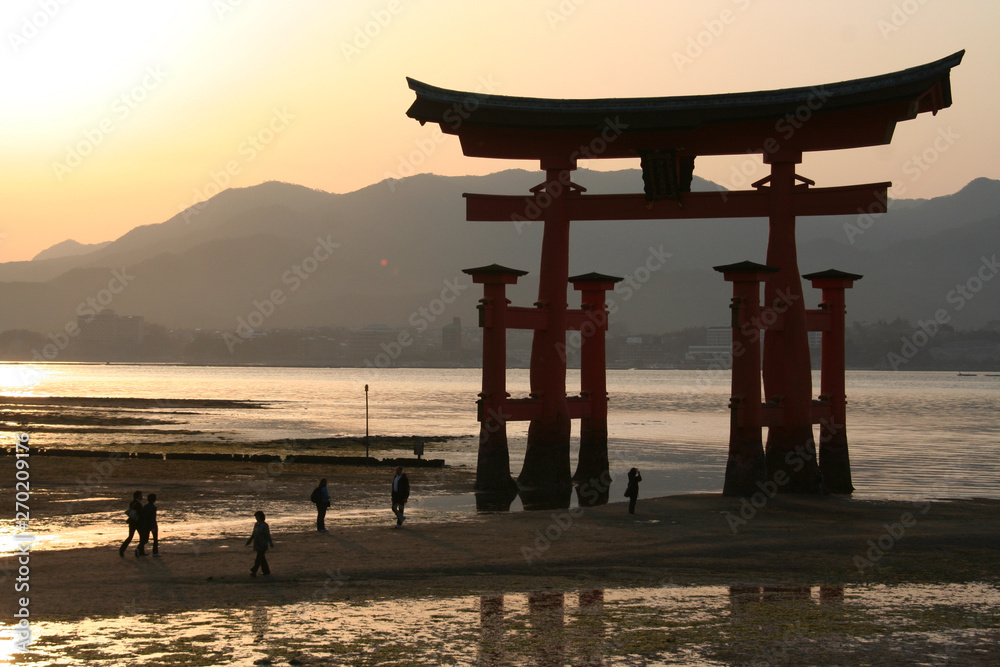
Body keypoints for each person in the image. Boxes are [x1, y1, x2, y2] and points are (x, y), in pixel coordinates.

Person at [246, 510, 274, 577]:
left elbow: (267, 535)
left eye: (257, 517)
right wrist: (249, 541)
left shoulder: (265, 525)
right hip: (257, 544)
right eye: (256, 517)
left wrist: (270, 542)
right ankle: (266, 571)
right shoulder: (256, 524)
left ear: (261, 517)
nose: (256, 518)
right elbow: (254, 534)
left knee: (258, 558)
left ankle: (254, 570)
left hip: (263, 544)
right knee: (262, 558)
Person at [119, 490, 143, 557]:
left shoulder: (132, 503)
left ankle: (122, 550)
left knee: (130, 537)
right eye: (141, 495)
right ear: (138, 496)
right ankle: (140, 551)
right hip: (137, 523)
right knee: (142, 537)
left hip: (132, 522)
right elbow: (140, 514)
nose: (142, 497)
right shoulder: (138, 504)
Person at [136, 493, 159, 557]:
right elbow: (152, 517)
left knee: (145, 539)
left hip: (145, 524)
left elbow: (143, 516)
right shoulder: (153, 507)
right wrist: (153, 526)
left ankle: (138, 548)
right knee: (155, 539)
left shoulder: (145, 506)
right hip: (152, 524)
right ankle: (155, 552)